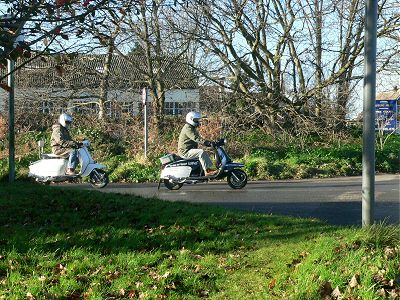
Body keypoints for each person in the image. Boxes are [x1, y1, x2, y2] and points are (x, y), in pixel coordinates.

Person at [178, 111, 218, 177]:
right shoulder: (188, 129)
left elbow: (198, 139)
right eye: (196, 120)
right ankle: (207, 171)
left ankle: (206, 169)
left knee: (204, 152)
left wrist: (209, 142)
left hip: (188, 150)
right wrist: (206, 142)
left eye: (198, 120)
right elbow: (196, 138)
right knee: (201, 152)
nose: (197, 122)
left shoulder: (191, 128)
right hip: (185, 152)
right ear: (191, 119)